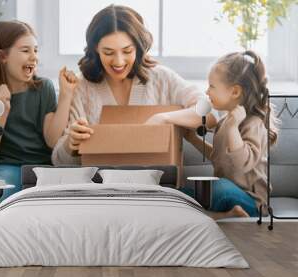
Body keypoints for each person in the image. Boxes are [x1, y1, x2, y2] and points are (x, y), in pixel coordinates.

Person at [52, 5, 217, 165]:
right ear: (96, 48)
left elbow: (209, 114)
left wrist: (163, 118)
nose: (118, 61)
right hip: (100, 187)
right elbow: (58, 160)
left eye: (127, 51)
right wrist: (71, 144)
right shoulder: (82, 87)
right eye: (108, 52)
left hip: (157, 185)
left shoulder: (161, 78)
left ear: (138, 47)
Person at [0, 21, 77, 209]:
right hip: (8, 168)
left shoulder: (44, 88)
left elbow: (52, 140)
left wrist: (66, 95)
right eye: (25, 50)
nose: (34, 57)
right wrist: (1, 112)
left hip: (42, 168)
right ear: (2, 56)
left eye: (35, 50)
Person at [183, 50, 279, 219]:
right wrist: (193, 139)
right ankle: (226, 216)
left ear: (235, 92)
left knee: (221, 188)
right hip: (228, 192)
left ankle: (214, 215)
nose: (206, 92)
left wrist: (234, 128)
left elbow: (242, 164)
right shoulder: (226, 120)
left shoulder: (254, 124)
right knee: (183, 193)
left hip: (252, 201)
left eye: (212, 86)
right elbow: (218, 158)